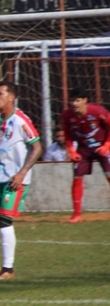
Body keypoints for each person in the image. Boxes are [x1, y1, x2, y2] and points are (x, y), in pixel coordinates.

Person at [0, 81, 42, 280]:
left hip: (15, 178)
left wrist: (22, 173)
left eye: (0, 93)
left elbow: (37, 148)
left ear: (11, 97)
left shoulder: (21, 120)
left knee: (4, 218)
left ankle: (8, 269)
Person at [60, 88, 110, 223]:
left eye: (77, 100)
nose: (74, 103)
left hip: (102, 146)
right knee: (77, 176)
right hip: (83, 149)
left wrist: (107, 145)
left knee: (109, 175)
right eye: (72, 101)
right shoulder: (66, 115)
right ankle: (77, 214)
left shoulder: (98, 112)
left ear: (85, 101)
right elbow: (67, 134)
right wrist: (72, 151)